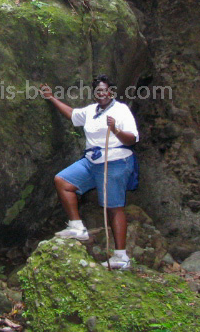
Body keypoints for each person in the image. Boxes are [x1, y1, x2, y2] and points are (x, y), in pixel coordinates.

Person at [41, 75, 139, 269]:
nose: (101, 94)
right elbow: (72, 114)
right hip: (92, 162)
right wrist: (51, 98)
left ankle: (121, 257)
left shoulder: (121, 110)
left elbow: (132, 139)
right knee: (63, 181)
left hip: (115, 161)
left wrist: (116, 129)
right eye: (98, 91)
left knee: (113, 207)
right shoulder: (91, 111)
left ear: (111, 92)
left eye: (104, 90)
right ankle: (77, 227)